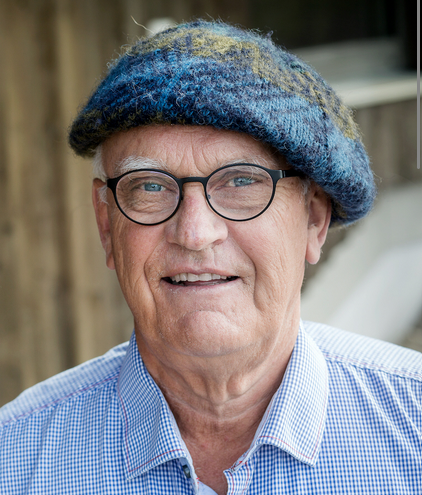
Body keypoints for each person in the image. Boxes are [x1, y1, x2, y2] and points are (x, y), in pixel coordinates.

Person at [1, 20, 421, 495]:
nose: (195, 234)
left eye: (241, 182)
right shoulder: (14, 459)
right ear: (106, 226)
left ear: (314, 220)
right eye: (151, 187)